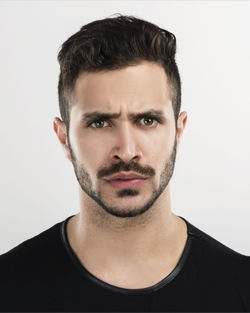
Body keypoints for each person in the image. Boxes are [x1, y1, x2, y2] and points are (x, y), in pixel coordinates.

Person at [0, 13, 249, 312]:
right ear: (64, 138)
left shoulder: (241, 287)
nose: (127, 151)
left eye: (148, 120)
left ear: (179, 131)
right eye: (100, 123)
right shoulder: (8, 287)